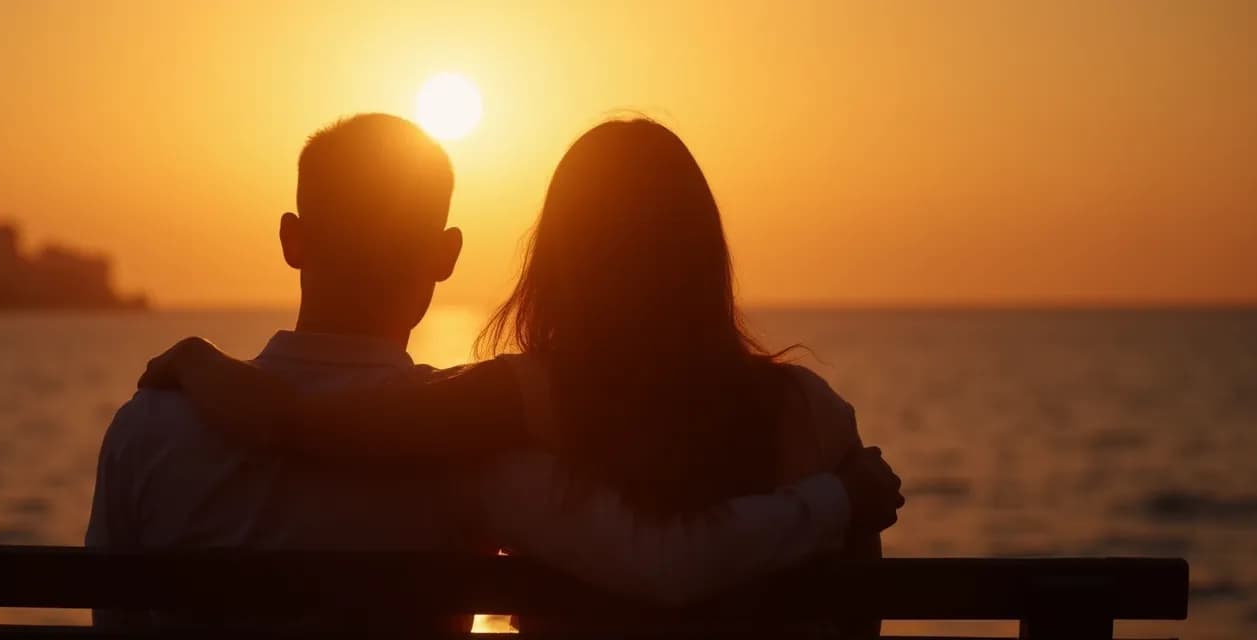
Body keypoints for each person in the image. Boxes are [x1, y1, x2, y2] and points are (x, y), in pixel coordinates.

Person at [136, 117, 903, 632]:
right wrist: (839, 499)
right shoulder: (815, 412)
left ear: (560, 260)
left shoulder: (521, 400)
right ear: (704, 255)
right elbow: (858, 613)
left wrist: (199, 362)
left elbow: (298, 423)